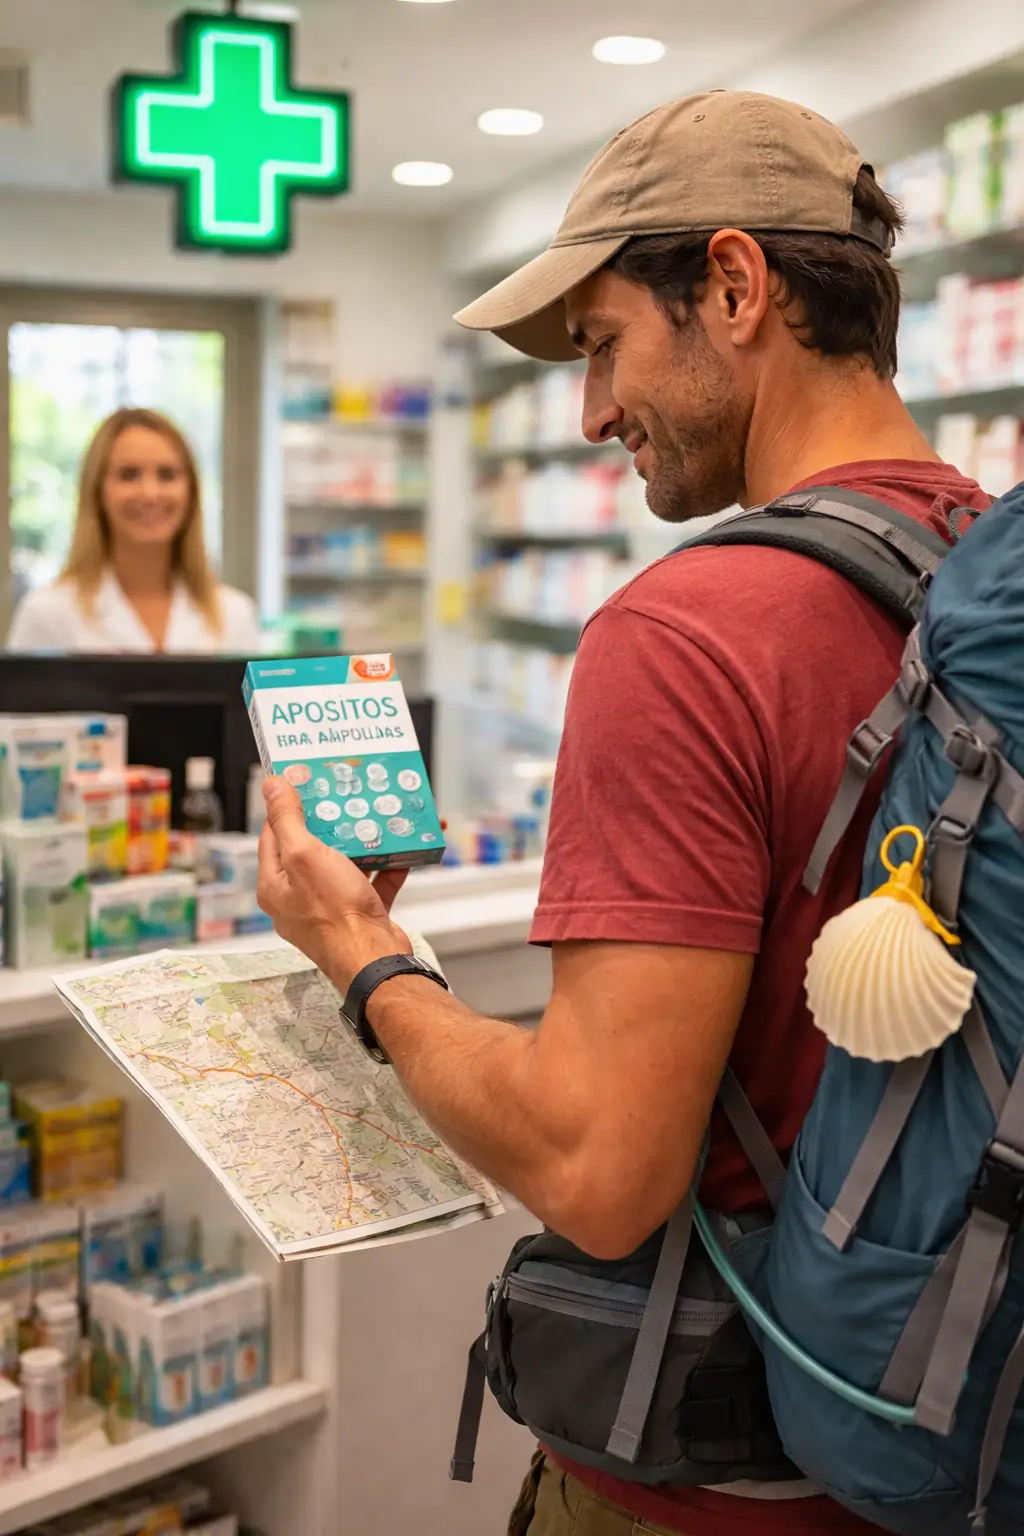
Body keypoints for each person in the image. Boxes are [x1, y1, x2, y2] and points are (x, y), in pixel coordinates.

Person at [255, 90, 992, 1536]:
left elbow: (598, 1170)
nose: (593, 412)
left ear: (734, 287)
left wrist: (362, 955)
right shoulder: (985, 570)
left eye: (603, 343)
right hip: (963, 1426)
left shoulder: (687, 632)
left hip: (715, 1483)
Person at [6, 406, 260, 654]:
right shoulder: (48, 613)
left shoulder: (235, 615)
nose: (150, 493)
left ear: (191, 492)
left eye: (167, 475)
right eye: (129, 475)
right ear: (97, 491)